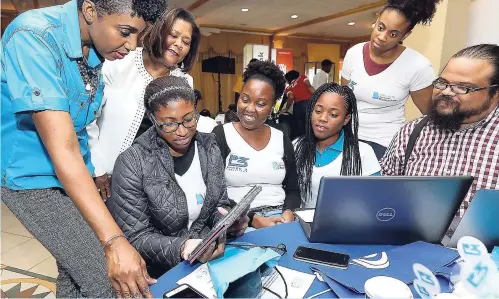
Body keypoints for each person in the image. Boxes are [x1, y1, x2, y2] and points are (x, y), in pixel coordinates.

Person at [1, 0, 166, 297]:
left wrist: (93, 172)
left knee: (74, 274)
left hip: (72, 169)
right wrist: (114, 240)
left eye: (137, 36)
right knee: (112, 278)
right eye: (125, 32)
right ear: (90, 11)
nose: (131, 45)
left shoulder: (94, 46)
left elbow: (79, 127)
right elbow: (62, 146)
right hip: (29, 176)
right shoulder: (33, 35)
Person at [106, 76, 248, 278]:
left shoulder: (209, 147)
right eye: (169, 124)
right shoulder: (132, 162)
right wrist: (182, 247)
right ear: (153, 119)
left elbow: (219, 203)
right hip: (159, 273)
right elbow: (135, 237)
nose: (182, 131)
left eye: (189, 119)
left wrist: (228, 222)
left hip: (208, 260)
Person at [87, 8, 200, 200]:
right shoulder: (120, 62)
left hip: (152, 181)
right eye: (173, 35)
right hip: (105, 174)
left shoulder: (184, 82)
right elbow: (89, 119)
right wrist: (97, 168)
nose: (179, 44)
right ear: (159, 31)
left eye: (186, 42)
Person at [381, 44, 499, 220]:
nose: (446, 92)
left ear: (495, 93)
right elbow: (383, 193)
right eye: (442, 82)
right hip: (410, 241)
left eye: (462, 87)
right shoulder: (412, 132)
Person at [341, 0, 440, 159]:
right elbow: (344, 99)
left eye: (393, 34)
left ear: (405, 35)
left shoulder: (418, 66)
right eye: (380, 27)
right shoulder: (354, 53)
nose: (381, 37)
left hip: (384, 144)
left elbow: (432, 116)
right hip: (347, 137)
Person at [212, 60, 300, 230]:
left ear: (272, 106)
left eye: (260, 104)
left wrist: (288, 212)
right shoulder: (220, 135)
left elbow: (293, 189)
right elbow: (214, 194)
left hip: (279, 219)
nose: (250, 109)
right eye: (245, 99)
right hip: (238, 223)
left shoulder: (281, 138)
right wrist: (252, 219)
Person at [295, 83, 381, 208]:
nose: (322, 118)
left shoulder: (362, 153)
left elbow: (375, 200)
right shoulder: (297, 147)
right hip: (302, 224)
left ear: (346, 119)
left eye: (333, 114)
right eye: (318, 111)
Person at [283, 70, 315, 139]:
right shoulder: (302, 77)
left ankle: (301, 145)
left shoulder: (288, 88)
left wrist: (286, 109)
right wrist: (318, 96)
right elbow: (309, 87)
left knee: (300, 129)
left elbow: (290, 97)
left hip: (297, 107)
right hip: (308, 104)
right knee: (311, 126)